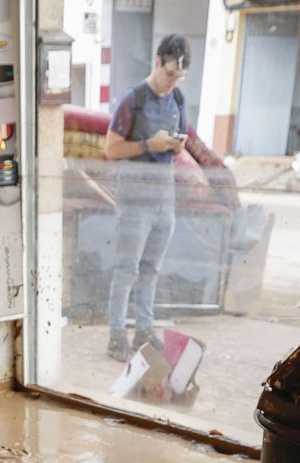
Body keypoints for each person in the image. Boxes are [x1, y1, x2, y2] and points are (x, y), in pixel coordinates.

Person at [102, 34, 192, 361]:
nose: (172, 82)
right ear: (157, 63)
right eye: (170, 74)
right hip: (133, 201)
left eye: (179, 77)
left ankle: (143, 328)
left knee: (151, 269)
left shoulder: (178, 99)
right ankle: (116, 337)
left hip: (163, 199)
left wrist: (176, 145)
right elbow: (110, 149)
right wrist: (147, 146)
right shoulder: (133, 100)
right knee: (126, 268)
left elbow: (182, 138)